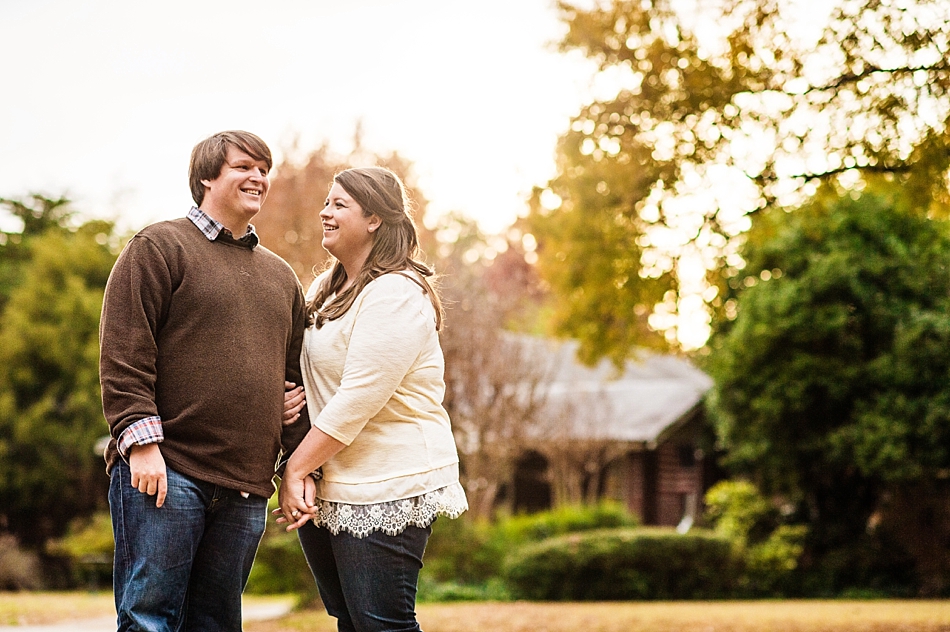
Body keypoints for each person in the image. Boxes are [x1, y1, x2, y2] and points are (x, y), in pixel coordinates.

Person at [99, 130, 311, 632]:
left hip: (243, 483)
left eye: (264, 169)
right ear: (206, 177)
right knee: (150, 619)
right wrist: (141, 444)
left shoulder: (281, 277)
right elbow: (125, 351)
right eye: (244, 166)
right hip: (169, 470)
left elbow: (293, 381)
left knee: (216, 624)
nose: (258, 177)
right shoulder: (159, 247)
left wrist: (297, 468)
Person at [276, 166, 468, 632]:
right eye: (327, 202)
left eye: (339, 204)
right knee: (350, 621)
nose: (324, 212)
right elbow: (297, 365)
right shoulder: (326, 288)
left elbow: (358, 398)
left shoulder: (397, 292)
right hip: (333, 481)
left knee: (382, 625)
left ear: (376, 219)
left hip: (388, 480)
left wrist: (295, 468)